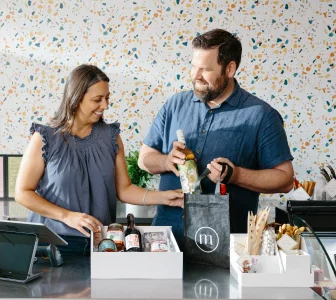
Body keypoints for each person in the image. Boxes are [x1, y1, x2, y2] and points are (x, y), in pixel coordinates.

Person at [138, 28, 294, 249]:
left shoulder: (262, 115)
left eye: (206, 69)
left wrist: (236, 174)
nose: (195, 75)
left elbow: (285, 180)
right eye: (193, 66)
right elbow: (144, 158)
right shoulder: (174, 105)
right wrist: (165, 161)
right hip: (167, 238)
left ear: (230, 68)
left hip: (225, 245)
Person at [15, 64, 183, 255]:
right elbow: (23, 193)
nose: (105, 105)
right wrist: (67, 216)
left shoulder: (111, 137)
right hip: (52, 246)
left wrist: (166, 198)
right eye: (97, 99)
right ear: (76, 99)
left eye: (107, 98)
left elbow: (124, 190)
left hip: (101, 244)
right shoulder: (45, 138)